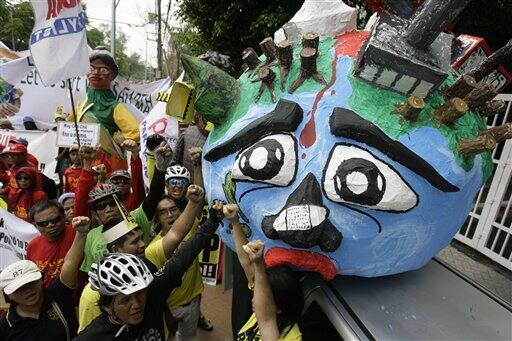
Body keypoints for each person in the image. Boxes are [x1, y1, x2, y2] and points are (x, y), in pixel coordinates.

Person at [75, 202, 223, 340]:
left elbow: (183, 258)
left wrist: (213, 221)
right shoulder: (91, 301)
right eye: (125, 300)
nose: (137, 304)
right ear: (106, 306)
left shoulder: (152, 288)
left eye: (140, 292)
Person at [76, 141, 172, 273]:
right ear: (94, 214)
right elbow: (89, 273)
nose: (108, 209)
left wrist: (160, 170)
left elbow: (153, 197)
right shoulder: (91, 235)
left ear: (122, 204)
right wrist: (86, 164)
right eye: (102, 206)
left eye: (113, 203)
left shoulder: (133, 219)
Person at [0, 216, 90, 340]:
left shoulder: (58, 295)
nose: (28, 290)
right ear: (9, 295)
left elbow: (71, 262)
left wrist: (81, 232)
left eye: (31, 283)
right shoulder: (4, 326)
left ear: (41, 280)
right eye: (19, 288)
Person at [225, 204, 304, 340]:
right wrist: (235, 221)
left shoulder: (291, 337)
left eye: (259, 294)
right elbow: (246, 263)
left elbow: (267, 322)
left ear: (279, 308)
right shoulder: (266, 310)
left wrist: (259, 264)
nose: (254, 298)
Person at [68, 47, 140, 170]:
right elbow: (70, 125)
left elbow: (135, 133)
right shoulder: (82, 103)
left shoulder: (115, 106)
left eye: (103, 69)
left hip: (109, 164)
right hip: (85, 161)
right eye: (91, 68)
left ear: (112, 75)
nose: (96, 73)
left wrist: (123, 141)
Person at [26, 200, 77, 287]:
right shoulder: (32, 246)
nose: (50, 225)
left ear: (64, 217)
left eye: (55, 220)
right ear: (35, 225)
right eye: (43, 224)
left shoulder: (77, 234)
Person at [106, 140, 145, 211]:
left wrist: (135, 153)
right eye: (116, 181)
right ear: (110, 184)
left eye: (125, 181)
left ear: (131, 184)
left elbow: (137, 179)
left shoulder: (135, 199)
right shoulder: (105, 205)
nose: (121, 183)